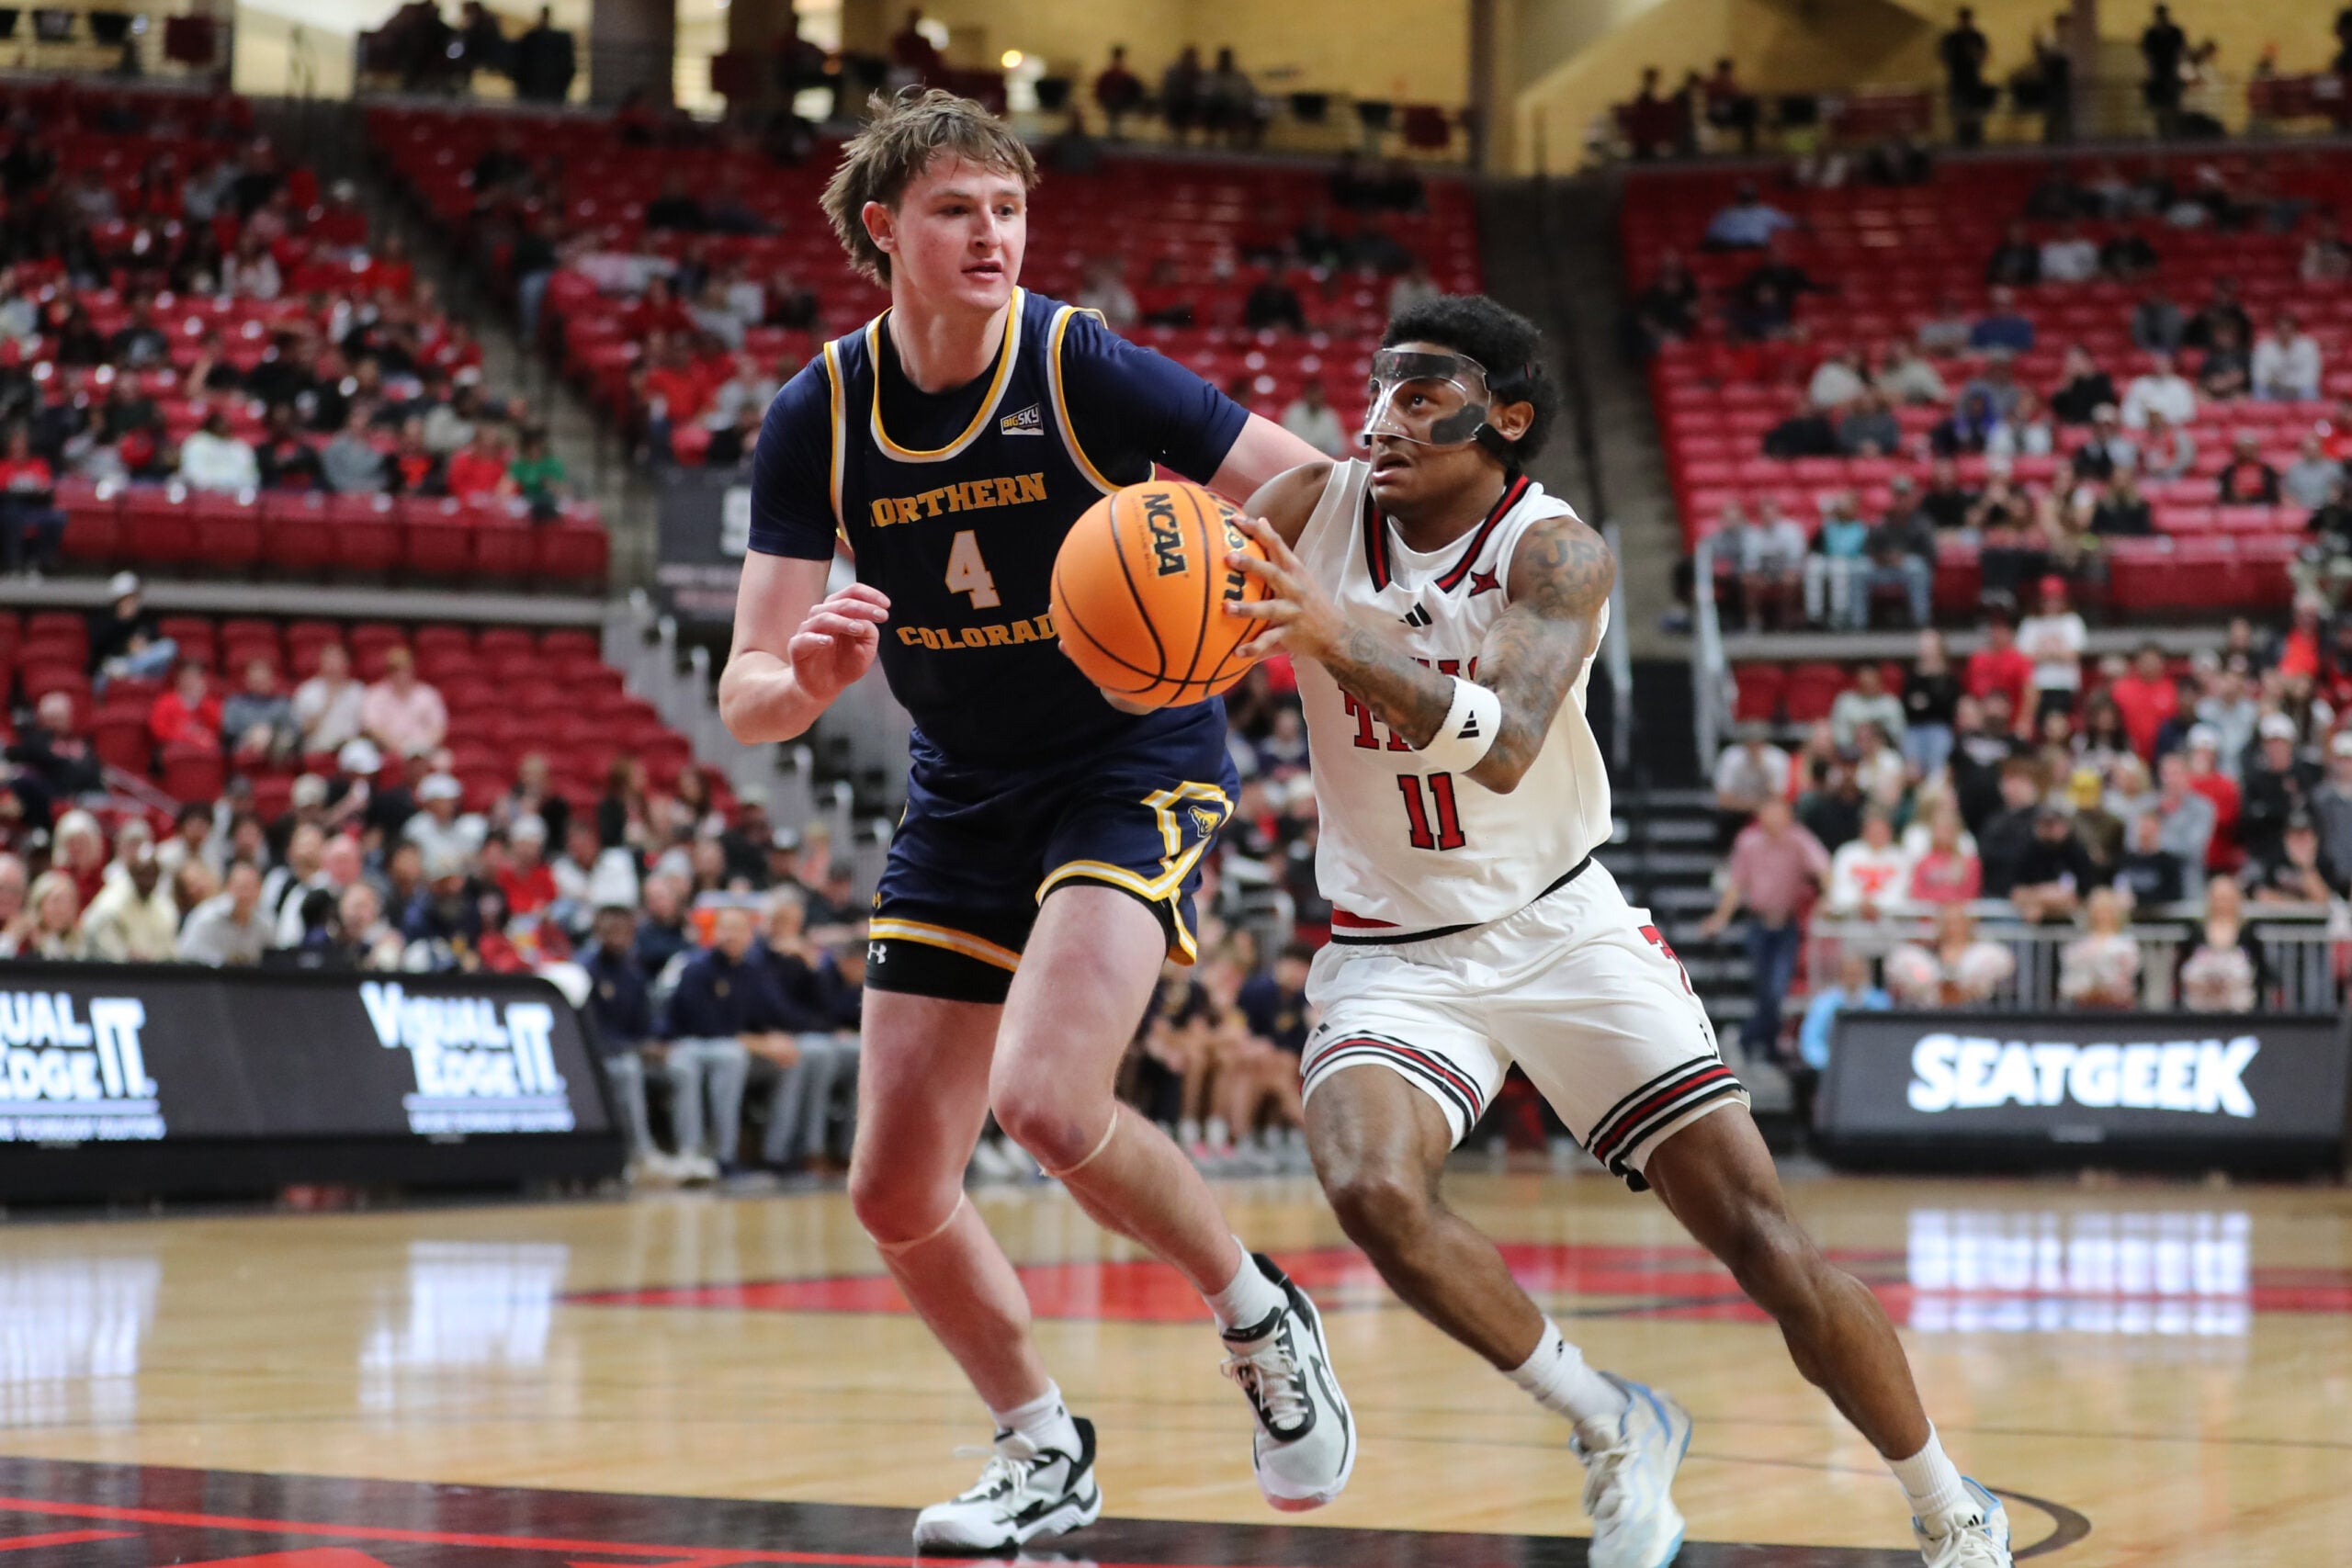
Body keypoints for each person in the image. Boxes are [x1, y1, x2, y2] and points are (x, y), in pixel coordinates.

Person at [1222, 293, 2013, 1568]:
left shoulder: (1558, 552)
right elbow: (1183, 642)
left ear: (1507, 419)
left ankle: (1946, 1502)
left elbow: (1505, 741)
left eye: (1423, 395)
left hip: (1562, 927)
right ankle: (1610, 1418)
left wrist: (1332, 630)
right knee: (1369, 1184)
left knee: (1764, 1239)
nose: (1385, 417)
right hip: (1390, 948)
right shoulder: (1306, 507)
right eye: (1380, 387)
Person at [717, 91, 1352, 1552]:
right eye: (957, 210)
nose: (992, 235)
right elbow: (750, 688)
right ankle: (1039, 1444)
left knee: (1050, 1102)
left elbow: (1303, 481)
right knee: (891, 1186)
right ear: (884, 231)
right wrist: (804, 673)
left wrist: (1305, 591)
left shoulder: (1080, 362)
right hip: (963, 785)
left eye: (1007, 209)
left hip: (1133, 757)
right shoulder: (819, 409)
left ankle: (1258, 1313)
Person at [2177, 874, 2264, 1010]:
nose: (2222, 903)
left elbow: (2258, 967)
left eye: (2227, 898)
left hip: (2239, 1006)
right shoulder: (2196, 930)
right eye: (2218, 897)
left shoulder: (2248, 931)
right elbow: (2183, 966)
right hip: (2200, 1004)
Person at [176, 860, 273, 965]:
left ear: (260, 890)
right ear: (228, 887)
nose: (245, 894)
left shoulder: (266, 924)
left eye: (251, 887)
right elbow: (184, 954)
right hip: (207, 978)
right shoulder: (206, 917)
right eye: (241, 887)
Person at [2058, 886, 2141, 1007]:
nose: (2102, 916)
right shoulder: (2080, 944)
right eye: (2098, 911)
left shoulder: (2126, 944)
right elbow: (2070, 975)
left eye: (2106, 911)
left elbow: (2128, 973)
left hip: (2117, 1004)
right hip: (2083, 1003)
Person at [361, 647, 447, 759]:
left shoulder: (427, 694)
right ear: (388, 671)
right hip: (386, 751)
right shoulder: (375, 695)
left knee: (444, 760)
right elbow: (372, 728)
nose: (401, 675)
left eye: (405, 669)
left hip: (423, 750)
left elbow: (438, 729)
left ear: (412, 670)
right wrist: (398, 748)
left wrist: (420, 748)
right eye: (396, 670)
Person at [1279, 381, 1348, 459]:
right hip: (1296, 459)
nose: (1315, 398)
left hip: (1322, 461)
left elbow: (1338, 448)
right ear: (1306, 395)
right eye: (1312, 394)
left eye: (1318, 394)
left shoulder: (1330, 416)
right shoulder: (1293, 413)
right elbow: (1286, 443)